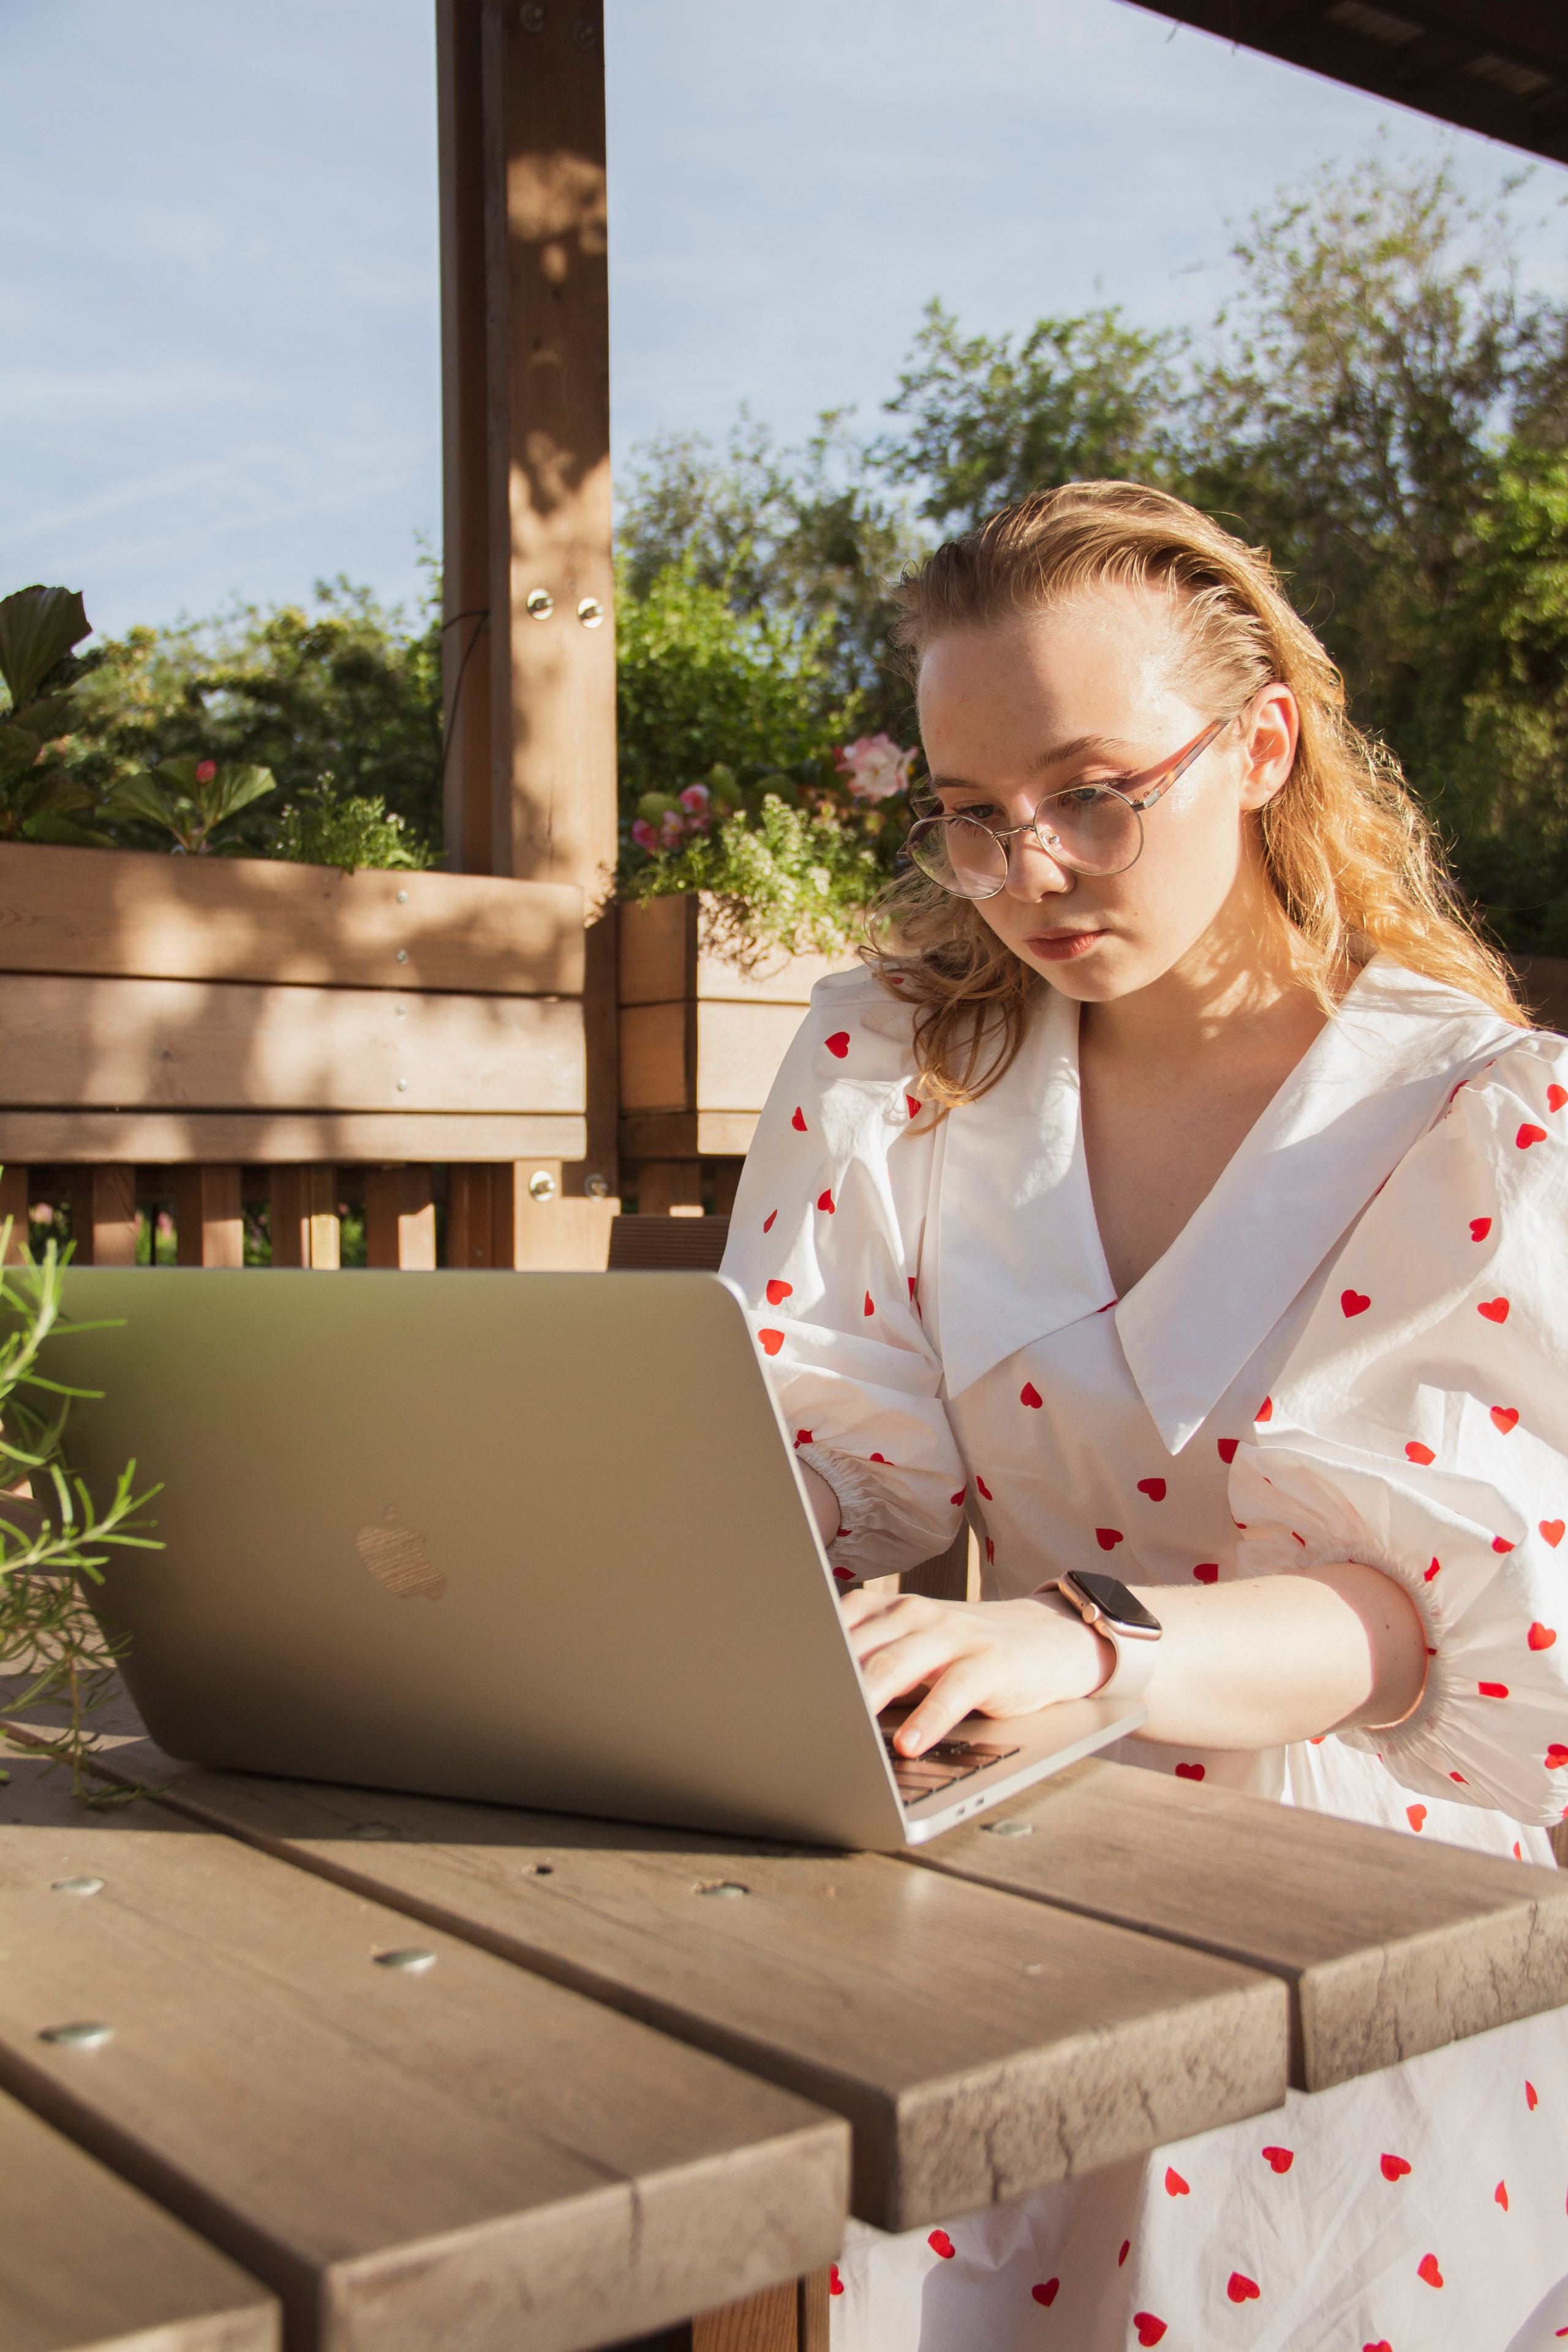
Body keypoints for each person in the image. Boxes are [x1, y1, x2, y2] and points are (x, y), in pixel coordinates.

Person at [720, 483, 1568, 2351]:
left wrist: (1074, 1643)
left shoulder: (1475, 1110)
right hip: (985, 1833)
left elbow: (1422, 1618)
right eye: (971, 815)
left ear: (1260, 744)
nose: (1027, 872)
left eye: (1096, 794)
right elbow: (805, 1464)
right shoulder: (894, 1053)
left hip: (1344, 1899)